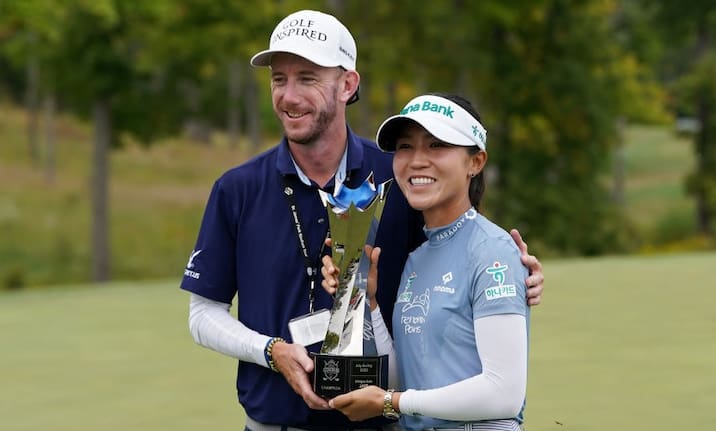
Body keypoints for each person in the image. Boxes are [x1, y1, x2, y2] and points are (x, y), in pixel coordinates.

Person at [180, 9, 544, 431]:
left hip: (382, 421)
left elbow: (463, 248)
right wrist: (271, 350)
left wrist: (518, 278)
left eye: (308, 78)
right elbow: (202, 315)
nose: (289, 95)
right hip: (274, 423)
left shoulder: (401, 176)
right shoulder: (237, 189)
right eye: (279, 79)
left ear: (347, 84)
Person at [321, 93, 530, 430]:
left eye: (436, 146)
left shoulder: (492, 250)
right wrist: (367, 301)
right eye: (405, 146)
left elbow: (503, 392)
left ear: (475, 162)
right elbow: (412, 379)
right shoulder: (417, 257)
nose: (417, 160)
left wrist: (391, 402)